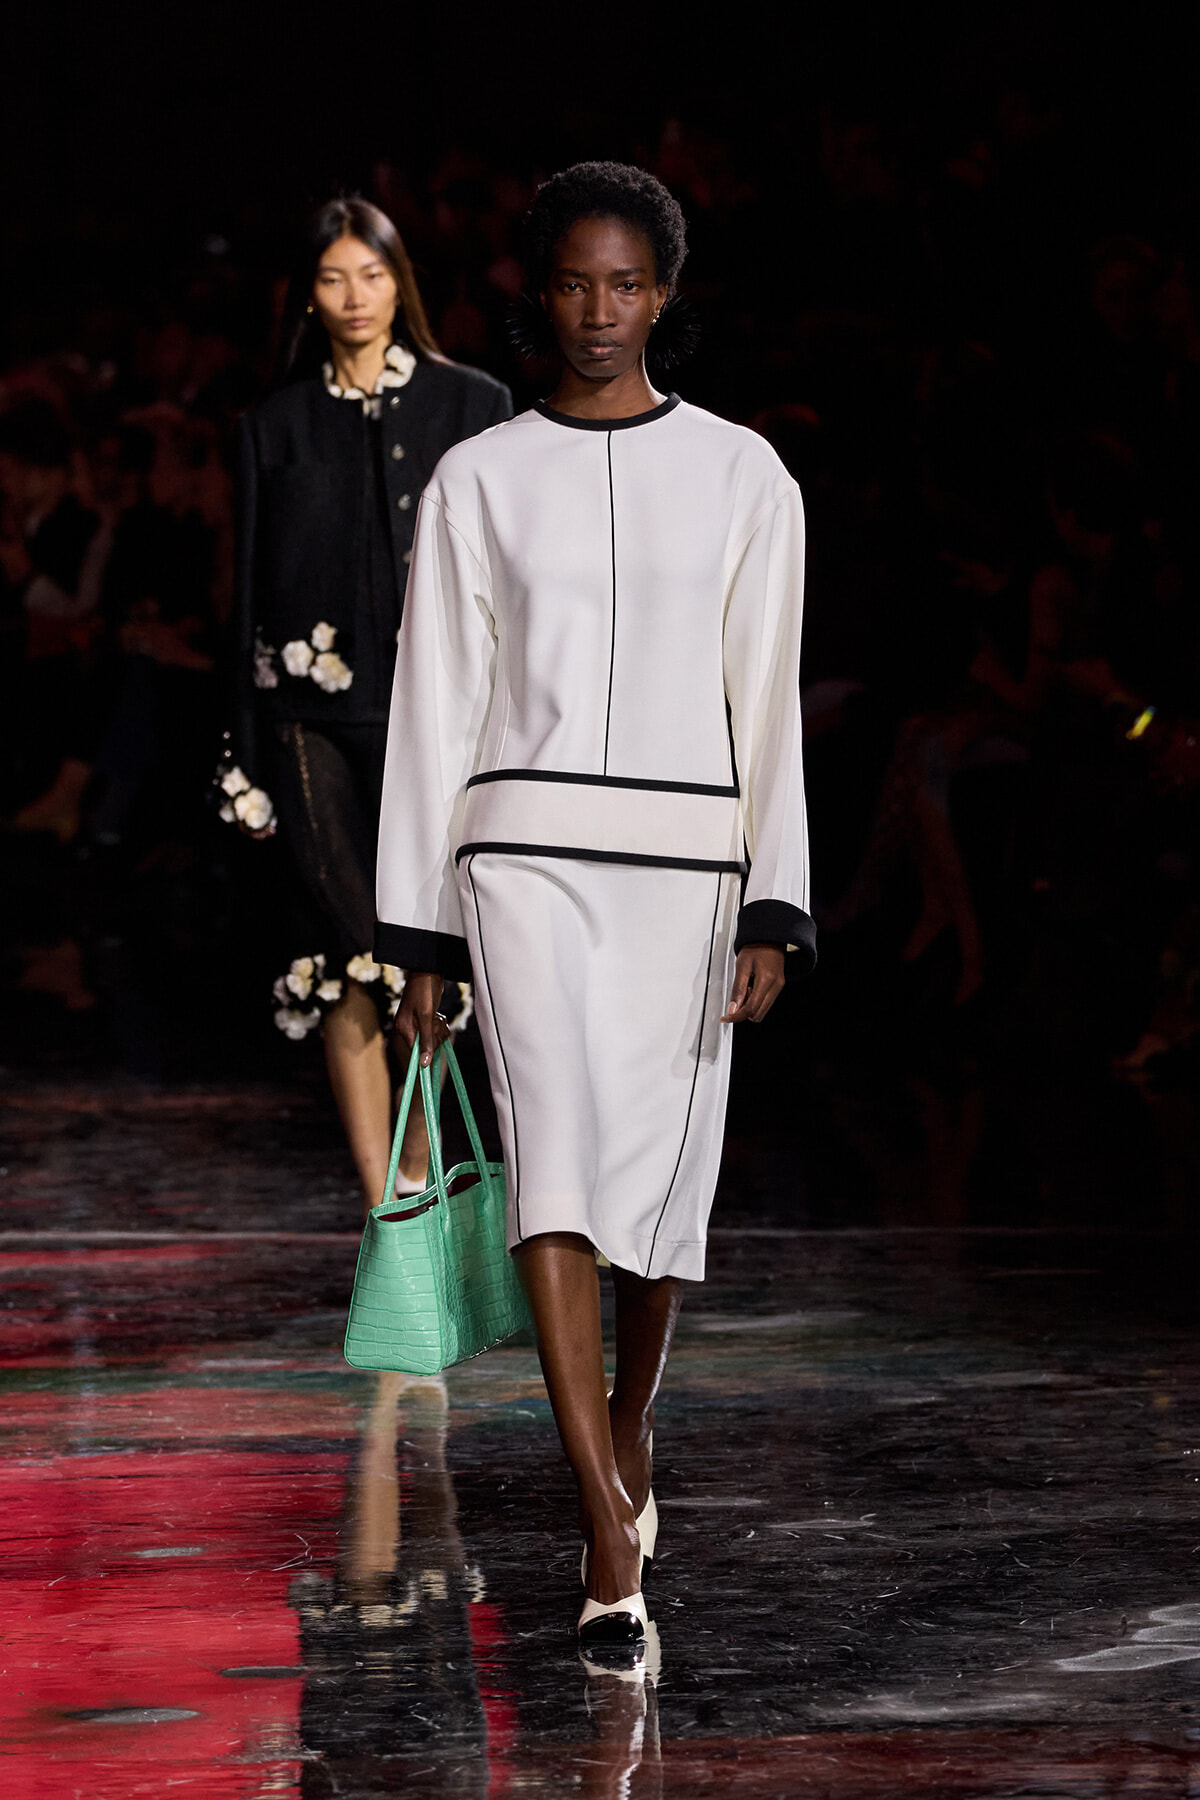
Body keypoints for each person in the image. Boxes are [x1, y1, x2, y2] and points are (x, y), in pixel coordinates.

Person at [381, 162, 814, 1649]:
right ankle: (601, 1526)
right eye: (573, 283)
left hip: (692, 880)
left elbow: (770, 704)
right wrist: (419, 927)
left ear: (666, 297)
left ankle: (630, 1422)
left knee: (658, 1205)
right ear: (535, 293)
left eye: (626, 285)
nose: (598, 311)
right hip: (526, 870)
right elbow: (434, 705)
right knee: (556, 1172)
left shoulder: (749, 476)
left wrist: (778, 904)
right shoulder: (479, 480)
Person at [228, 197, 512, 1213]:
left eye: (374, 275)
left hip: (440, 720)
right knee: (344, 955)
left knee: (422, 953)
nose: (356, 298)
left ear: (403, 283)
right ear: (308, 292)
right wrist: (244, 755)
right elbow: (248, 597)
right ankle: (390, 1202)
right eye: (335, 278)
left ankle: (421, 1152)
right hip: (310, 730)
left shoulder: (471, 407)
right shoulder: (274, 424)